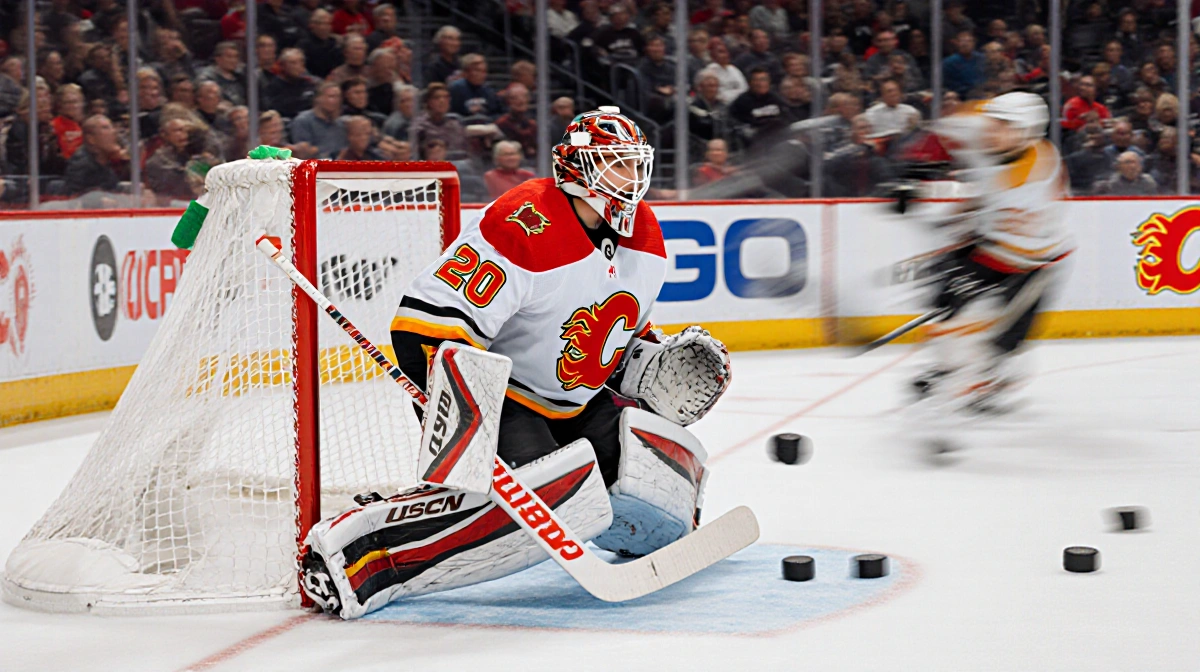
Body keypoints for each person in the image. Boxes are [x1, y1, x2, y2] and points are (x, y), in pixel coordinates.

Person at [299, 107, 730, 619]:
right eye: (617, 163)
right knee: (554, 495)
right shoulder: (527, 220)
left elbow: (613, 341)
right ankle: (361, 555)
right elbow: (423, 328)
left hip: (577, 402)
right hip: (509, 400)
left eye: (636, 165)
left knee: (663, 489)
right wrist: (465, 420)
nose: (633, 178)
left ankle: (593, 513)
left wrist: (648, 363)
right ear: (581, 168)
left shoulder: (646, 237)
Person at [909, 93, 1074, 414]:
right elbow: (944, 129)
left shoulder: (1033, 177)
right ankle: (947, 367)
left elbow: (995, 221)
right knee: (944, 307)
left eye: (1003, 126)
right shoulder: (983, 124)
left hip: (1032, 263)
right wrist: (912, 170)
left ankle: (990, 378)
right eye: (993, 122)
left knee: (996, 336)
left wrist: (963, 231)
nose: (990, 130)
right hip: (990, 244)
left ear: (1027, 133)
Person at [290, 81, 348, 157]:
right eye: (331, 96)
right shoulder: (303, 121)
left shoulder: (339, 124)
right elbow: (302, 153)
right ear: (318, 98)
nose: (336, 101)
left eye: (338, 97)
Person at [410, 82, 466, 157]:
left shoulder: (455, 124)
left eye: (446, 97)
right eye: (437, 98)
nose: (442, 101)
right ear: (428, 102)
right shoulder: (419, 127)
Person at [265, 48, 317, 119]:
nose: (298, 66)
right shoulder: (273, 88)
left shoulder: (308, 83)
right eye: (293, 63)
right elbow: (279, 109)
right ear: (283, 66)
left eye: (301, 62)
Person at [449, 54, 504, 119]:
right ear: (466, 72)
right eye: (477, 70)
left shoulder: (489, 90)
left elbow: (497, 111)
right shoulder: (456, 89)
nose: (482, 75)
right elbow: (452, 114)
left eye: (484, 71)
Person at [495, 84, 537, 161]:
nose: (521, 101)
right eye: (514, 98)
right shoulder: (502, 123)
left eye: (524, 97)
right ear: (508, 101)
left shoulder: (531, 123)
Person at [197, 41, 247, 106]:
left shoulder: (240, 77)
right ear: (218, 59)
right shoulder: (207, 77)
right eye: (229, 57)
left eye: (236, 57)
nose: (233, 60)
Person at [700, 38, 747, 105]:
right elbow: (713, 95)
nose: (725, 55)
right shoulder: (708, 72)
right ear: (712, 55)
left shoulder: (734, 70)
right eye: (721, 52)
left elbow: (744, 88)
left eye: (726, 52)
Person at [298, 9, 342, 79]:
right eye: (323, 23)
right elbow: (302, 71)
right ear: (313, 25)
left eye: (329, 23)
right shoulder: (304, 45)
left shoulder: (334, 43)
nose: (326, 27)